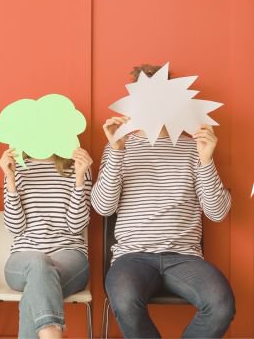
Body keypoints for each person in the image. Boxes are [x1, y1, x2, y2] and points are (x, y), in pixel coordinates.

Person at [91, 64, 235, 338]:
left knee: (221, 305)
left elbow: (217, 213)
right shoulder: (120, 146)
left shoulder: (195, 148)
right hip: (132, 257)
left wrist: (206, 161)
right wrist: (116, 152)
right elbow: (102, 207)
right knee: (124, 301)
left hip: (185, 257)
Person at [0, 147, 92, 339]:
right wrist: (10, 179)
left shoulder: (78, 165)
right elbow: (15, 228)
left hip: (70, 256)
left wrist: (79, 179)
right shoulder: (16, 167)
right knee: (38, 263)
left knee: (34, 292)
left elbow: (77, 227)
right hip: (24, 258)